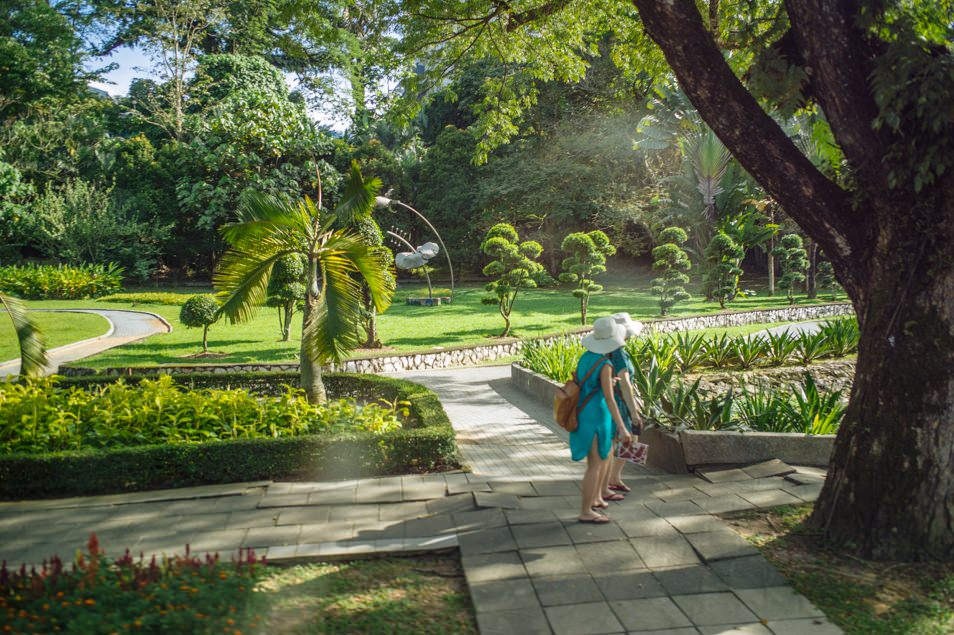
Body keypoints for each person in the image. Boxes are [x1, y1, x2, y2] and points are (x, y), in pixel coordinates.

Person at [571, 317, 633, 524]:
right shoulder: (605, 363)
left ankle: (595, 499)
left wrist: (608, 381)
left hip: (584, 412)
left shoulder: (587, 357)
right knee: (594, 465)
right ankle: (585, 510)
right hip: (597, 415)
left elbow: (588, 383)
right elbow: (609, 398)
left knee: (601, 458)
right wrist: (623, 428)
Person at [607, 312, 644, 493]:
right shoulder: (619, 352)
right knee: (628, 439)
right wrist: (634, 412)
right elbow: (625, 383)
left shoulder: (607, 349)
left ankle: (613, 477)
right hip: (619, 402)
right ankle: (609, 480)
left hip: (610, 400)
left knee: (621, 441)